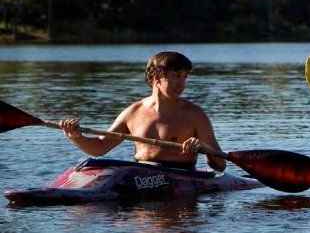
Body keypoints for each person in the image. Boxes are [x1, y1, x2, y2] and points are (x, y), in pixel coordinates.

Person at [60, 51, 226, 171]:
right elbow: (100, 148)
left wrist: (204, 147)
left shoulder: (195, 114)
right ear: (156, 77)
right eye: (176, 75)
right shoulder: (133, 112)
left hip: (181, 177)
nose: (181, 83)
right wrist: (77, 138)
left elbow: (220, 165)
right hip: (141, 176)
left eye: (184, 77)